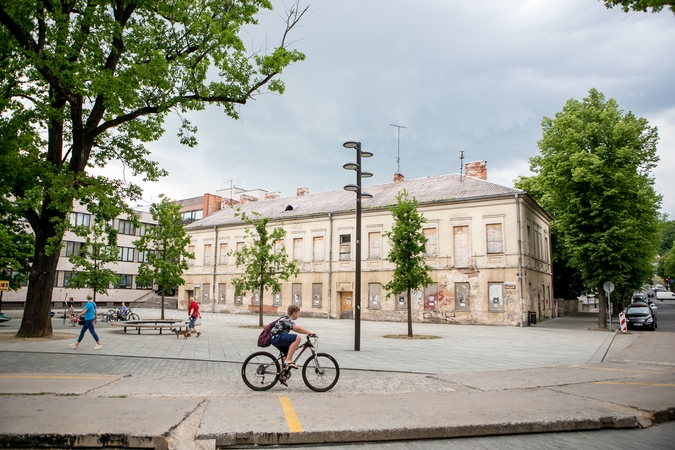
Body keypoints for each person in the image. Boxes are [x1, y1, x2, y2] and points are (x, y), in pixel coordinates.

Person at [270, 305, 316, 370]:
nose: (298, 315)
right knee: (297, 338)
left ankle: (282, 376)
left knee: (288, 353)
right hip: (276, 337)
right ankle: (288, 360)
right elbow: (297, 328)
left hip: (276, 338)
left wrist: (306, 333)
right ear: (294, 313)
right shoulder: (287, 319)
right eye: (298, 313)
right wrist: (310, 332)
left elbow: (296, 329)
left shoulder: (287, 319)